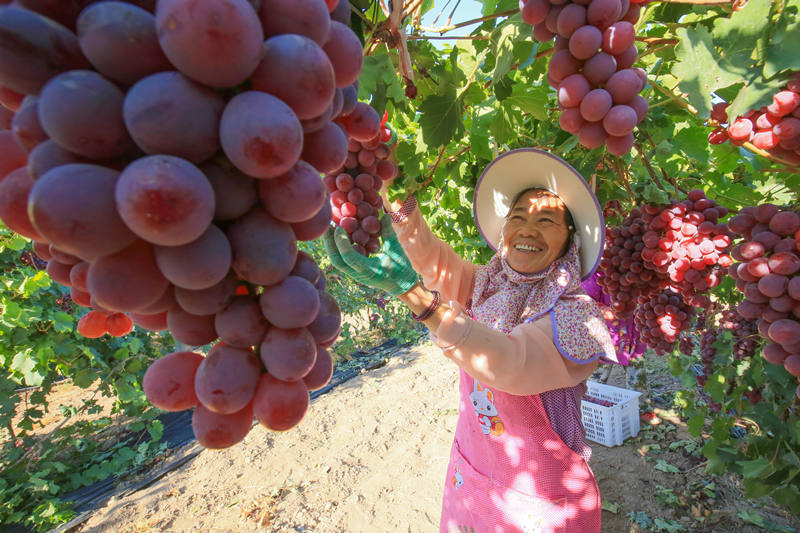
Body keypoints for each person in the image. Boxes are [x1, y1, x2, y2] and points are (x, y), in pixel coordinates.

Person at [324, 148, 618, 532]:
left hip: (539, 497)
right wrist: (389, 190)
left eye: (546, 220)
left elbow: (510, 363)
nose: (527, 228)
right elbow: (435, 262)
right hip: (476, 466)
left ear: (569, 241)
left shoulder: (579, 317)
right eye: (517, 217)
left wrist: (411, 295)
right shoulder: (488, 284)